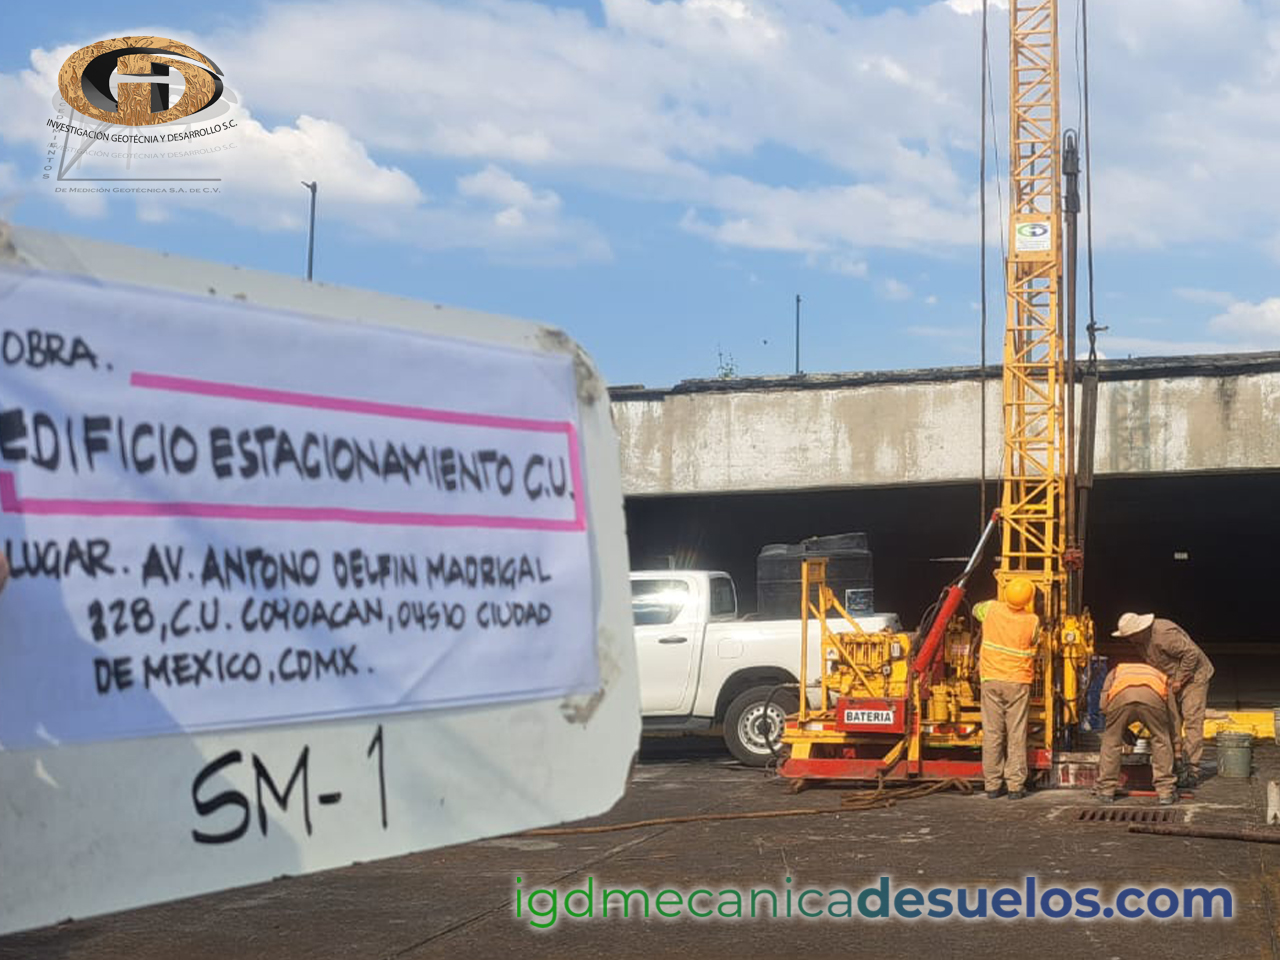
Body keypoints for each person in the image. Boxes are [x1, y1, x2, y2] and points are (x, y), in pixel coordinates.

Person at [1112, 613, 1214, 787]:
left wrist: (1180, 679)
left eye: (1131, 636)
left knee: (1192, 721)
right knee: (1172, 721)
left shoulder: (1164, 635)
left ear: (1139, 631)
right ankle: (1175, 763)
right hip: (1171, 679)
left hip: (1194, 678)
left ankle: (1192, 769)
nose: (1129, 640)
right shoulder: (1140, 642)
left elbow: (1192, 654)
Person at [973, 577, 1040, 800]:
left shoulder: (991, 609)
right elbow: (1035, 641)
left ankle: (992, 785)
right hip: (1018, 682)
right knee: (1016, 734)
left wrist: (996, 602)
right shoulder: (1032, 620)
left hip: (991, 679)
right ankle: (1015, 786)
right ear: (1029, 599)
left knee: (992, 733)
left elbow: (975, 609)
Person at [1096, 661, 1177, 805]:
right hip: (1152, 698)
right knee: (1160, 741)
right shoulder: (1160, 675)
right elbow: (1172, 714)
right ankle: (1165, 792)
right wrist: (1176, 743)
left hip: (1121, 697)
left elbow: (1103, 703)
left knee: (1111, 741)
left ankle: (1106, 791)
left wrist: (1117, 727)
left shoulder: (1116, 671)